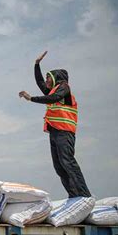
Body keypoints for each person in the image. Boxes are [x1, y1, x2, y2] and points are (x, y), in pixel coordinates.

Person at [18, 51, 91, 198]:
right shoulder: (52, 90)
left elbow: (53, 98)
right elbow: (40, 83)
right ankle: (74, 195)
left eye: (48, 78)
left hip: (64, 132)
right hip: (55, 132)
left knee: (68, 162)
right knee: (59, 166)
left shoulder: (64, 87)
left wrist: (31, 98)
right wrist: (36, 65)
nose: (46, 81)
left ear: (55, 78)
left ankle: (85, 196)